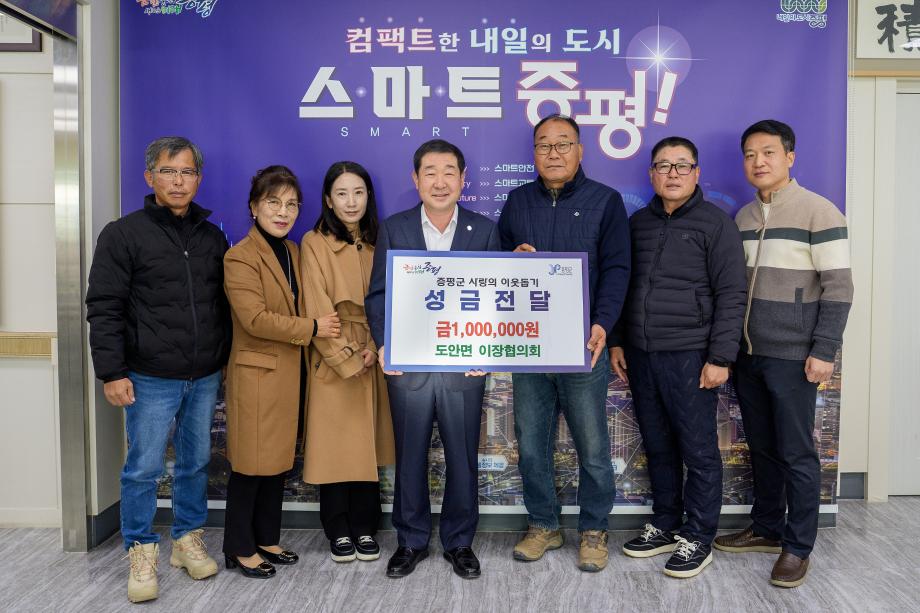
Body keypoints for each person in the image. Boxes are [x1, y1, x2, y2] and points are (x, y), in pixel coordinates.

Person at [86, 136, 231, 603]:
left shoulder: (211, 238)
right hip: (148, 376)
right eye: (169, 171)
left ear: (198, 179)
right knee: (144, 468)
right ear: (150, 177)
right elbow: (104, 306)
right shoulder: (123, 234)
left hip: (204, 374)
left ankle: (186, 539)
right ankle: (141, 550)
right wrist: (111, 372)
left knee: (196, 462)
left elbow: (222, 307)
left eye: (187, 172)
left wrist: (223, 359)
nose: (178, 181)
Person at [713, 120, 853, 589]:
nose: (759, 162)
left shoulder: (819, 211)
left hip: (794, 355)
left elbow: (839, 287)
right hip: (749, 353)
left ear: (789, 157)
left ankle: (797, 548)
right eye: (750, 154)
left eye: (768, 152)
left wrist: (824, 349)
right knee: (763, 448)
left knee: (797, 453)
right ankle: (767, 528)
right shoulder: (743, 218)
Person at [498, 114, 630, 572]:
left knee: (592, 446)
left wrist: (603, 324)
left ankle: (594, 529)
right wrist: (511, 258)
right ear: (533, 153)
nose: (553, 153)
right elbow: (494, 265)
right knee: (531, 444)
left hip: (583, 345)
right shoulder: (517, 201)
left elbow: (618, 269)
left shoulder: (605, 201)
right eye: (544, 145)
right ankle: (543, 524)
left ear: (580, 150)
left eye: (563, 144)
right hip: (530, 346)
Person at [609, 136, 747, 578]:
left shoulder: (716, 224)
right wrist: (618, 341)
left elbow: (732, 294)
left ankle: (699, 536)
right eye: (663, 165)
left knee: (698, 449)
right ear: (651, 174)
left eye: (681, 165)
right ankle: (666, 524)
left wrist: (720, 357)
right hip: (641, 354)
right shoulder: (637, 224)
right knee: (658, 445)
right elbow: (621, 285)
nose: (672, 173)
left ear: (696, 173)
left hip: (691, 354)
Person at [365, 139, 500, 579]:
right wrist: (385, 344)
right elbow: (379, 295)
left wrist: (487, 349)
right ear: (415, 178)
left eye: (449, 172)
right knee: (410, 456)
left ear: (463, 179)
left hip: (465, 364)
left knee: (463, 457)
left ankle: (460, 542)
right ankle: (411, 541)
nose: (440, 182)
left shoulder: (484, 230)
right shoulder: (395, 227)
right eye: (430, 172)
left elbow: (496, 298)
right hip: (409, 365)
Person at [221, 165, 340, 579]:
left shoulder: (293, 250)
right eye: (273, 202)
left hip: (291, 373)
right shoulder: (240, 256)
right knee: (250, 465)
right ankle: (239, 547)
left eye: (291, 204)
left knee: (276, 462)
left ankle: (266, 538)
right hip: (257, 375)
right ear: (254, 207)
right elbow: (254, 319)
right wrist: (312, 328)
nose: (283, 212)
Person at [301, 161, 395, 563]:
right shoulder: (314, 242)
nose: (351, 201)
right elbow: (316, 304)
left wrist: (376, 344)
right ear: (328, 200)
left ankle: (365, 525)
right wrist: (346, 356)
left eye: (358, 192)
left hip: (375, 352)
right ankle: (337, 527)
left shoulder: (381, 238)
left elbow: (392, 296)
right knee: (335, 447)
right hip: (333, 352)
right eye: (341, 193)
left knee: (366, 448)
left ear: (368, 196)